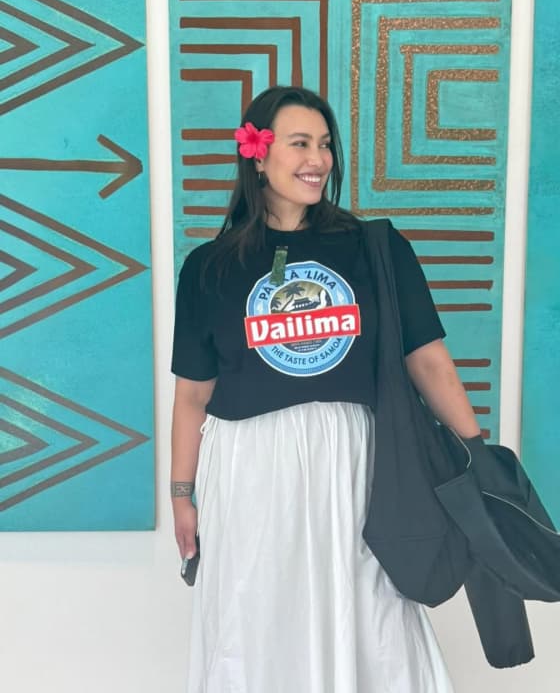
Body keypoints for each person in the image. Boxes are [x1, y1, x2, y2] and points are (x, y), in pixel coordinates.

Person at [170, 85, 483, 692]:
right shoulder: (208, 269)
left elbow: (430, 362)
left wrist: (480, 460)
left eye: (325, 144)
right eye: (300, 143)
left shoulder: (378, 250)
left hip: (356, 458)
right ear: (257, 156)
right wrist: (182, 492)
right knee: (255, 606)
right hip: (250, 465)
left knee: (371, 608)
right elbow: (192, 395)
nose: (318, 158)